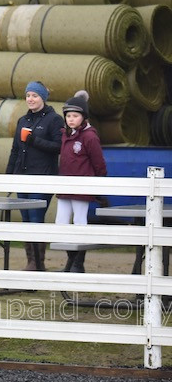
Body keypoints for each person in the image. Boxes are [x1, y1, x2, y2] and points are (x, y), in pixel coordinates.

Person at [6, 80, 64, 271]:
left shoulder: (54, 120)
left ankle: (37, 263)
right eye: (28, 95)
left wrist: (34, 140)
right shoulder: (23, 120)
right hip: (22, 178)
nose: (30, 99)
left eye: (35, 96)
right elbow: (15, 150)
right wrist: (8, 177)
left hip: (42, 178)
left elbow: (58, 147)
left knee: (35, 218)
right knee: (25, 220)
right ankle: (32, 261)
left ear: (43, 98)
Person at [55, 90, 107, 273]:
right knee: (60, 223)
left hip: (82, 188)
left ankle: (78, 264)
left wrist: (99, 186)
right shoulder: (65, 135)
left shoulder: (90, 136)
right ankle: (71, 261)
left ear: (83, 117)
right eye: (68, 116)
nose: (71, 119)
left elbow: (99, 164)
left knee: (79, 222)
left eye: (75, 116)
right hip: (64, 187)